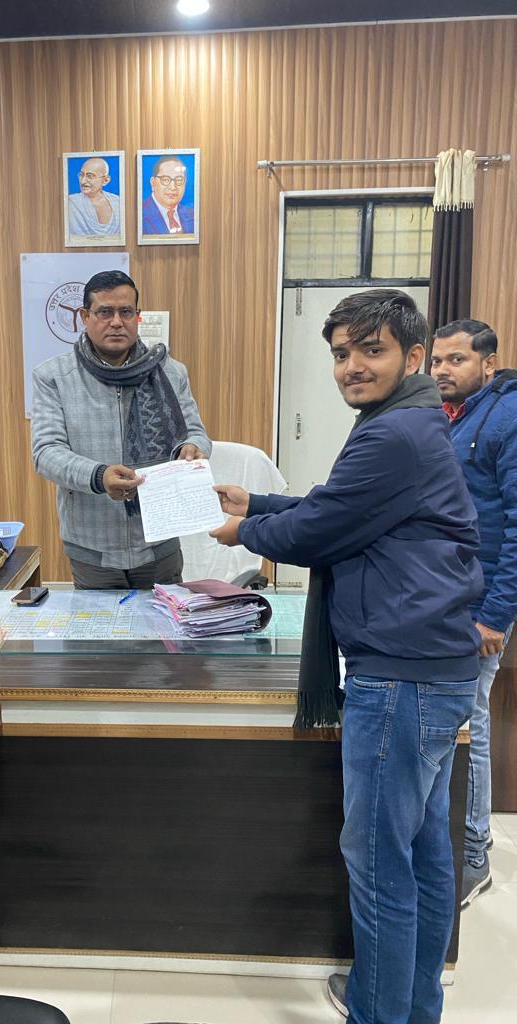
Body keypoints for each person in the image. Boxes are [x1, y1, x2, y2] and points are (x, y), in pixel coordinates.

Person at [210, 289, 482, 1024]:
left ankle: (378, 1012)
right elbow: (342, 505)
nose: (352, 366)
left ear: (413, 356)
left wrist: (244, 532)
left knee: (379, 864)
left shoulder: (394, 433)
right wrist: (258, 504)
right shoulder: (408, 421)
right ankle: (409, 1006)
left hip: (399, 676)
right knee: (421, 857)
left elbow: (320, 530)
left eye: (371, 349)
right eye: (340, 354)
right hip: (431, 668)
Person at [31, 269, 211, 589]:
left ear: (137, 317)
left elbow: (196, 433)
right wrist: (99, 476)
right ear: (85, 317)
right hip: (92, 548)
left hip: (159, 543)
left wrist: (193, 448)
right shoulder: (54, 377)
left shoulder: (170, 372)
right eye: (105, 312)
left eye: (126, 312)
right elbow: (46, 453)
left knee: (164, 622)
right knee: (99, 624)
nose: (116, 322)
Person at [430, 318, 517, 906]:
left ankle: (474, 851)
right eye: (437, 360)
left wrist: (495, 616)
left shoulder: (506, 418)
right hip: (447, 597)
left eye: (456, 360)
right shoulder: (452, 416)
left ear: (488, 363)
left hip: (480, 607)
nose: (443, 370)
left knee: (472, 723)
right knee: (459, 722)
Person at [67, 157, 122, 240]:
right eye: (81, 175)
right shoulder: (71, 202)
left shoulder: (118, 202)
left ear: (105, 180)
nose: (83, 181)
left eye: (90, 176)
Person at [141, 156, 194, 235]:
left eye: (179, 180)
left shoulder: (193, 215)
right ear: (153, 183)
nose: (173, 187)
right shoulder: (139, 214)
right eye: (165, 180)